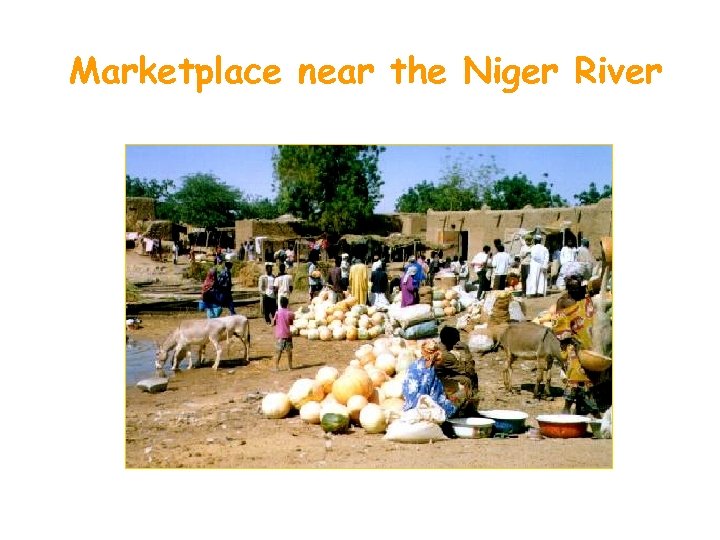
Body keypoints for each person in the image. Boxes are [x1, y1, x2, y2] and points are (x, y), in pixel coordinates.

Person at [401, 340, 458, 419]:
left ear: (422, 352)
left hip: (411, 408)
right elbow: (443, 395)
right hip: (431, 409)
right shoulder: (438, 368)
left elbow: (405, 390)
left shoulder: (413, 366)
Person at [437, 326, 479, 415]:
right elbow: (469, 371)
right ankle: (469, 410)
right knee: (470, 379)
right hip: (443, 384)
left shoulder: (438, 349)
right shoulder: (446, 356)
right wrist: (467, 351)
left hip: (441, 379)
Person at [271, 296, 295, 371]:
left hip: (280, 335)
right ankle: (290, 367)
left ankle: (276, 367)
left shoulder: (277, 312)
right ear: (287, 304)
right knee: (289, 351)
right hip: (287, 334)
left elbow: (273, 323)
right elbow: (291, 322)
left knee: (279, 351)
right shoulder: (290, 313)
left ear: (280, 304)